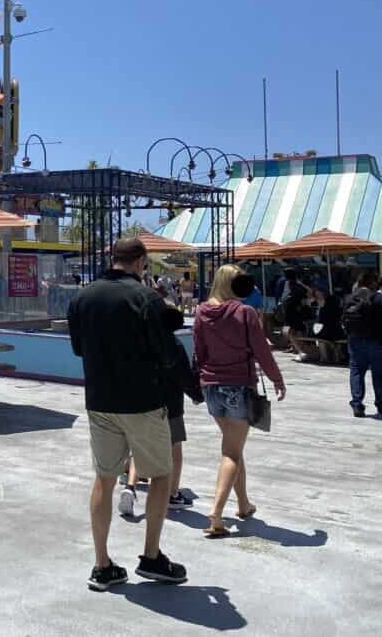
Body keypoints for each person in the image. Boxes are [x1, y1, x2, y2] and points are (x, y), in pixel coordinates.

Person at [67, 236, 188, 591]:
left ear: (112, 257)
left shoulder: (83, 296)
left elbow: (77, 348)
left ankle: (102, 565)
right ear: (140, 262)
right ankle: (151, 556)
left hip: (100, 400)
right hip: (143, 401)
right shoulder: (146, 298)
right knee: (161, 475)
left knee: (104, 478)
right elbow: (167, 353)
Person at [192, 264, 286, 538]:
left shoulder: (201, 311)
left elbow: (199, 352)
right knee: (231, 452)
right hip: (237, 386)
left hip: (211, 386)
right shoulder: (244, 312)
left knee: (233, 447)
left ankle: (243, 504)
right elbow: (261, 351)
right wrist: (277, 379)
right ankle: (216, 515)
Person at [118, 305, 201, 517]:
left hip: (143, 402)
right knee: (174, 449)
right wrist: (197, 395)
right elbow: (184, 377)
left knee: (140, 447)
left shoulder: (140, 343)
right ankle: (173, 494)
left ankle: (130, 487)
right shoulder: (174, 345)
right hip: (170, 406)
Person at [343, 271, 382, 417]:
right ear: (373, 282)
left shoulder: (350, 298)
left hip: (355, 340)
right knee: (379, 374)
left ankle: (357, 403)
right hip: (378, 341)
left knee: (357, 371)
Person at [280, 269, 314, 361]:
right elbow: (309, 293)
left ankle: (301, 351)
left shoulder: (287, 283)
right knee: (298, 331)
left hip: (290, 311)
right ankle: (302, 351)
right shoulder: (300, 284)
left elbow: (283, 297)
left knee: (289, 332)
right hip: (299, 311)